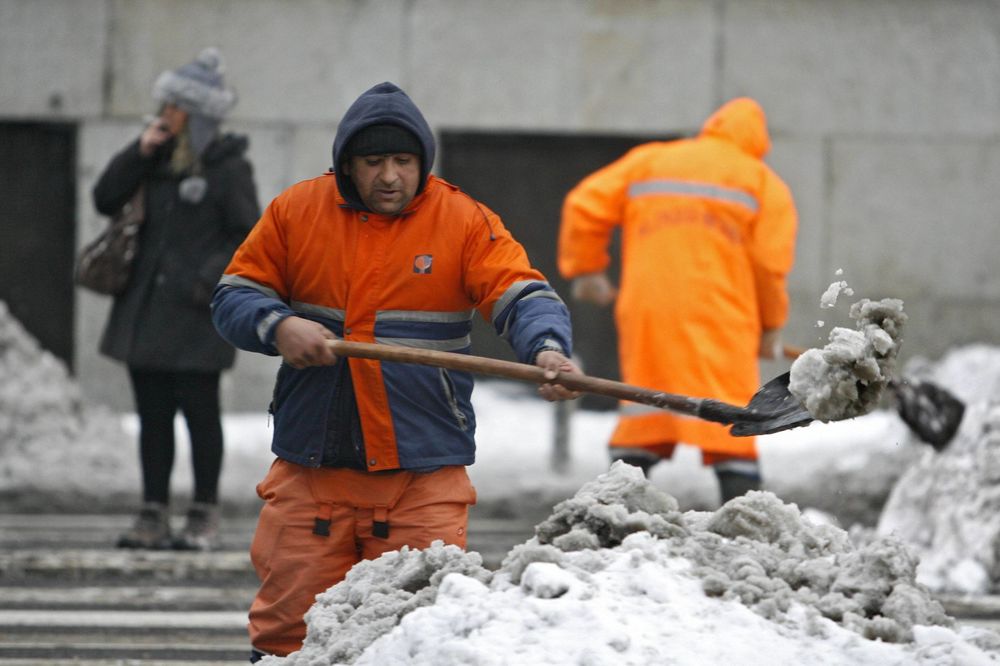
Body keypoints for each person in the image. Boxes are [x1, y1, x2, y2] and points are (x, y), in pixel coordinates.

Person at [210, 81, 581, 661]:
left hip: (422, 473)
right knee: (288, 636)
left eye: (403, 162)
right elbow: (234, 295)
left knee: (419, 631)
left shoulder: (462, 221)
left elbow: (520, 291)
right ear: (346, 166)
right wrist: (278, 325)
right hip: (313, 470)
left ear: (423, 163)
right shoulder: (295, 213)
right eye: (374, 161)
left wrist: (548, 348)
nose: (389, 176)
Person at [557, 97, 797, 503]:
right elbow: (769, 267)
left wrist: (587, 270)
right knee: (731, 413)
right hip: (723, 316)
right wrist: (770, 327)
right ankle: (747, 520)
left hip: (648, 310)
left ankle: (612, 506)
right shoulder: (761, 182)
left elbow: (585, 205)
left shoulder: (651, 161)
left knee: (645, 403)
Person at [92, 47, 260, 551]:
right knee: (153, 417)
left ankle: (203, 511)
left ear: (197, 112)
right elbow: (104, 198)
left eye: (173, 107)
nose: (164, 115)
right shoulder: (155, 157)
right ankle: (152, 511)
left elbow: (247, 234)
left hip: (197, 314)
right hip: (146, 310)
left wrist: (205, 281)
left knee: (200, 415)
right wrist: (139, 151)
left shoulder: (228, 167)